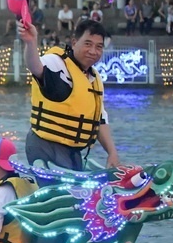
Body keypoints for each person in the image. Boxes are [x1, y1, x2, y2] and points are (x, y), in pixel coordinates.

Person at [20, 18, 121, 172]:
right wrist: (31, 42)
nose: (93, 51)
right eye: (88, 44)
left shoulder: (94, 79)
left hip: (73, 152)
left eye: (99, 47)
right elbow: (35, 66)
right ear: (74, 42)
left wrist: (112, 153)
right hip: (45, 145)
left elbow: (100, 119)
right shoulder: (57, 62)